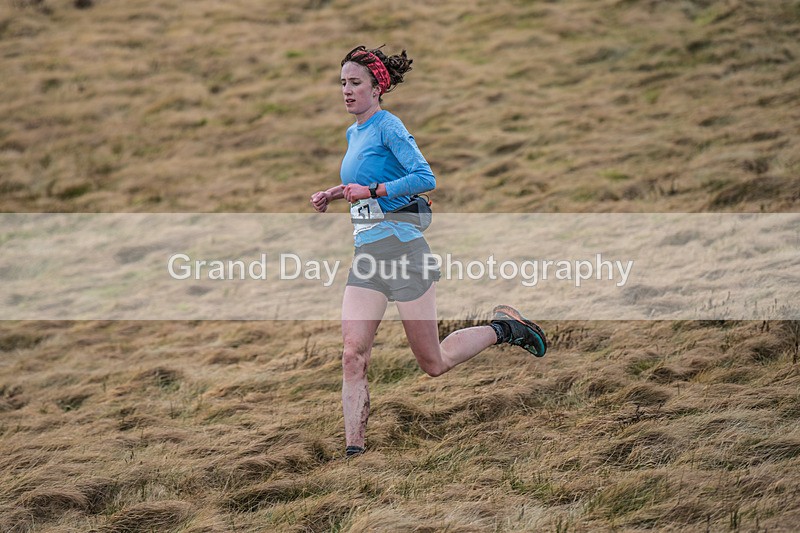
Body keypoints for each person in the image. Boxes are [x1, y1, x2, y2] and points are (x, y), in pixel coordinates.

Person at [309, 45, 548, 458]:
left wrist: (374, 191)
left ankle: (504, 328)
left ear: (376, 88)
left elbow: (424, 177)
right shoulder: (354, 132)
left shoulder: (389, 127)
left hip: (405, 253)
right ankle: (355, 453)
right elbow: (365, 182)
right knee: (352, 355)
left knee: (433, 362)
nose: (346, 91)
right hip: (367, 256)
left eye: (355, 83)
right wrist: (336, 193)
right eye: (342, 83)